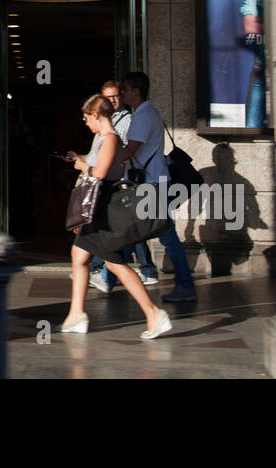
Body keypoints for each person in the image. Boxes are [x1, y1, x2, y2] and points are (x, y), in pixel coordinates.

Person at [60, 94, 172, 340]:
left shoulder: (110, 139)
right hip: (100, 208)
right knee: (81, 257)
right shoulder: (104, 139)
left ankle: (154, 314)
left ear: (96, 115)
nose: (86, 122)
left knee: (113, 263)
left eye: (87, 117)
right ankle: (76, 314)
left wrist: (82, 167)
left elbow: (101, 173)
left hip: (103, 209)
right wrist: (81, 159)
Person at [120, 71, 196, 302]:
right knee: (135, 231)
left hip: (152, 184)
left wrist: (102, 163)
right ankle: (109, 274)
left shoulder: (143, 116)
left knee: (163, 234)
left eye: (124, 89)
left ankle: (184, 284)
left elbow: (131, 149)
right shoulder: (147, 113)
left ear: (136, 91)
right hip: (154, 182)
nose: (122, 93)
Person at [88, 80, 160, 292]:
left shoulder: (125, 122)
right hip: (120, 182)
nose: (113, 100)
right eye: (107, 97)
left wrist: (88, 166)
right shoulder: (110, 122)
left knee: (129, 231)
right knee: (128, 230)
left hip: (123, 183)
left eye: (116, 95)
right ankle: (131, 271)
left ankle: (120, 274)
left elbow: (122, 155)